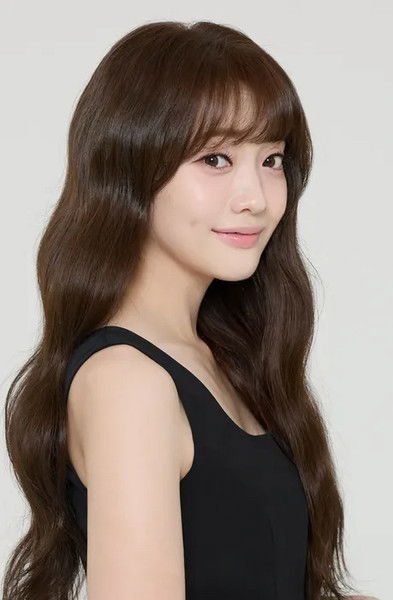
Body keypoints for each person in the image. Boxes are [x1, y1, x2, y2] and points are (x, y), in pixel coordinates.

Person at [3, 19, 373, 600]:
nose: (256, 198)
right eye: (215, 159)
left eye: (272, 159)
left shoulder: (222, 358)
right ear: (129, 169)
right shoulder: (128, 382)